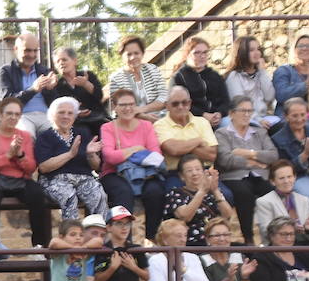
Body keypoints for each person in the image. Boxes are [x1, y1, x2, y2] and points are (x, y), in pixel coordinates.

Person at [0, 96, 52, 247]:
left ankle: (40, 247)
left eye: (17, 114)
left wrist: (20, 155)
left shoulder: (25, 136)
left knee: (38, 195)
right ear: (0, 114)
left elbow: (31, 168)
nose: (13, 117)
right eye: (9, 113)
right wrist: (8, 156)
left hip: (19, 179)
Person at [99, 87, 166, 241]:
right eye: (122, 105)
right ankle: (124, 242)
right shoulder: (108, 127)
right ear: (115, 107)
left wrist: (123, 153)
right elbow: (109, 157)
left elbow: (157, 156)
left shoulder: (146, 126)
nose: (128, 108)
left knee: (155, 191)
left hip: (144, 173)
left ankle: (151, 238)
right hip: (114, 173)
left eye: (131, 104)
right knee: (124, 193)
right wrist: (135, 149)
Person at [215, 95, 277, 242]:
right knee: (244, 193)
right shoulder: (222, 133)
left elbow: (273, 156)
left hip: (260, 176)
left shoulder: (260, 132)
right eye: (243, 110)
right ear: (231, 114)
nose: (247, 114)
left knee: (271, 192)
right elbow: (225, 160)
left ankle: (272, 237)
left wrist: (248, 153)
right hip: (233, 177)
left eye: (250, 111)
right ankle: (248, 239)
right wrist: (255, 162)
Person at [34, 97, 105, 222]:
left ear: (75, 116)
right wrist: (70, 154)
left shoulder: (83, 133)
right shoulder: (45, 137)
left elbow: (96, 166)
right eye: (61, 112)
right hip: (54, 180)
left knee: (98, 195)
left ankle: (99, 236)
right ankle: (71, 237)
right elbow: (44, 167)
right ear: (52, 115)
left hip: (83, 179)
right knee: (69, 196)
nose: (65, 116)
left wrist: (91, 154)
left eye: (70, 113)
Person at [163, 154, 235, 246]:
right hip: (192, 242)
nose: (194, 173)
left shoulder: (212, 192)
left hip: (216, 240)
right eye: (189, 171)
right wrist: (202, 191)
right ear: (182, 176)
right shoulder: (175, 193)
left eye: (198, 169)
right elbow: (185, 217)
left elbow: (227, 216)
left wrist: (215, 190)